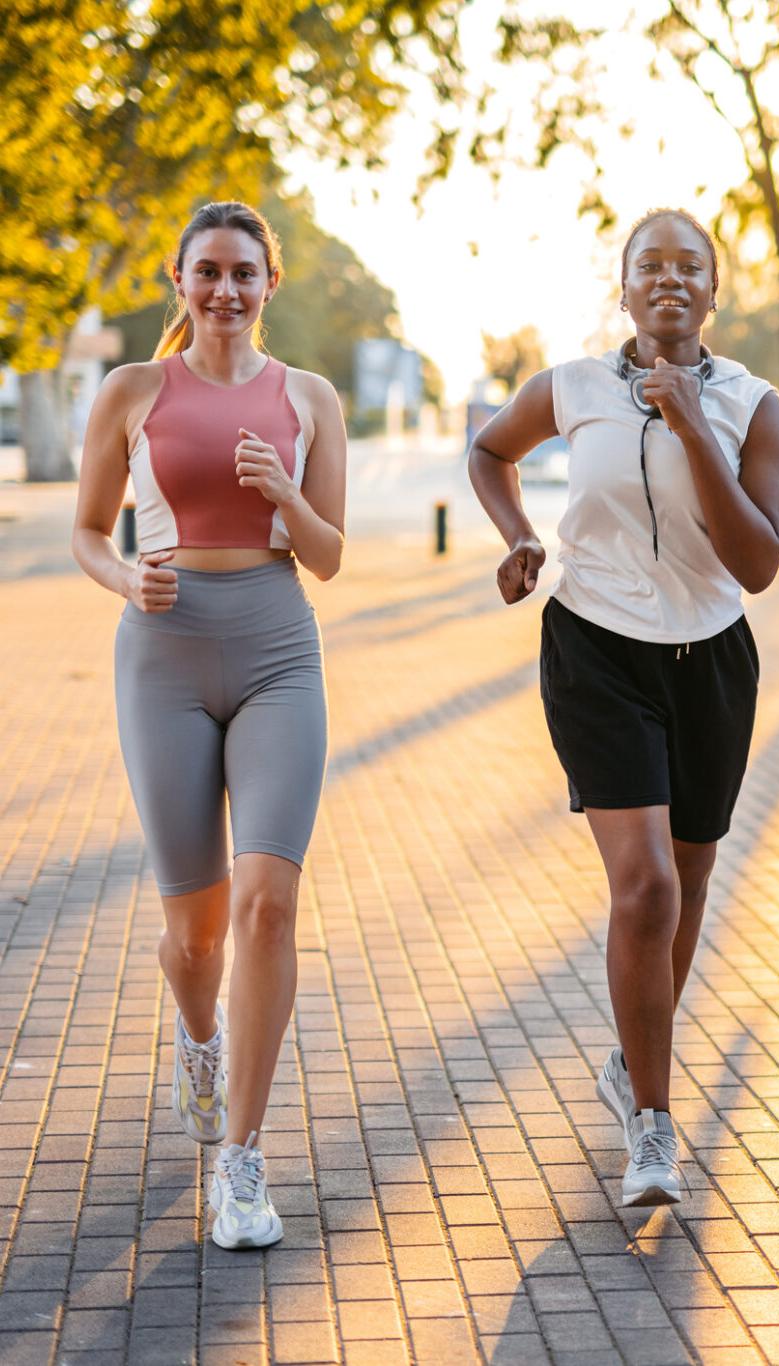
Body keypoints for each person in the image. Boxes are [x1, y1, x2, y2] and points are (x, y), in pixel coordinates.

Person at [469, 208, 779, 1206]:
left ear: (711, 291)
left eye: (687, 267)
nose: (668, 279)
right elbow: (489, 451)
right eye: (648, 265)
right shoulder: (571, 387)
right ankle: (652, 1121)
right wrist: (518, 535)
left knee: (687, 887)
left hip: (710, 659)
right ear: (622, 289)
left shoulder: (753, 404)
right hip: (595, 646)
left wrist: (693, 421)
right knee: (645, 888)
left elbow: (759, 561)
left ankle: (628, 1062)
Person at [72, 201, 346, 1249]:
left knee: (268, 906)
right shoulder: (133, 391)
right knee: (194, 930)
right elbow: (91, 531)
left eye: (245, 272)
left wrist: (284, 488)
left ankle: (241, 1157)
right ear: (179, 281)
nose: (226, 289)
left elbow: (327, 556)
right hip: (164, 654)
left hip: (279, 648)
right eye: (209, 272)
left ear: (270, 283)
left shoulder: (309, 397)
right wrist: (123, 576)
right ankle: (199, 1038)